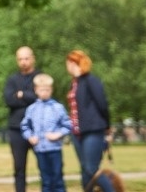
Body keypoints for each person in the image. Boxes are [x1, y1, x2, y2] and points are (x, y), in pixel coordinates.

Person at [65, 50, 113, 192]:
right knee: (84, 169)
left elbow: (102, 104)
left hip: (93, 130)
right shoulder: (74, 83)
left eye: (67, 63)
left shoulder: (91, 80)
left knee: (91, 168)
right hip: (77, 131)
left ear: (73, 63)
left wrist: (107, 126)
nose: (66, 67)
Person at [21, 73, 72, 192]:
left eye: (47, 90)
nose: (44, 92)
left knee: (57, 178)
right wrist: (30, 137)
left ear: (51, 90)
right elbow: (24, 126)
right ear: (36, 90)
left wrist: (58, 134)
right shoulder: (32, 109)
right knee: (45, 180)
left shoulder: (58, 107)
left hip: (54, 149)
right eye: (41, 90)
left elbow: (68, 125)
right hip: (40, 149)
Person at [3, 46, 41, 192]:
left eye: (26, 58)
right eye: (20, 59)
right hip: (16, 129)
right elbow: (9, 100)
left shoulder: (40, 77)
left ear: (32, 58)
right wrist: (30, 96)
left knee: (44, 166)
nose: (23, 62)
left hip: (38, 129)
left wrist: (21, 95)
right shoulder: (12, 79)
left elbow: (41, 97)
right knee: (19, 168)